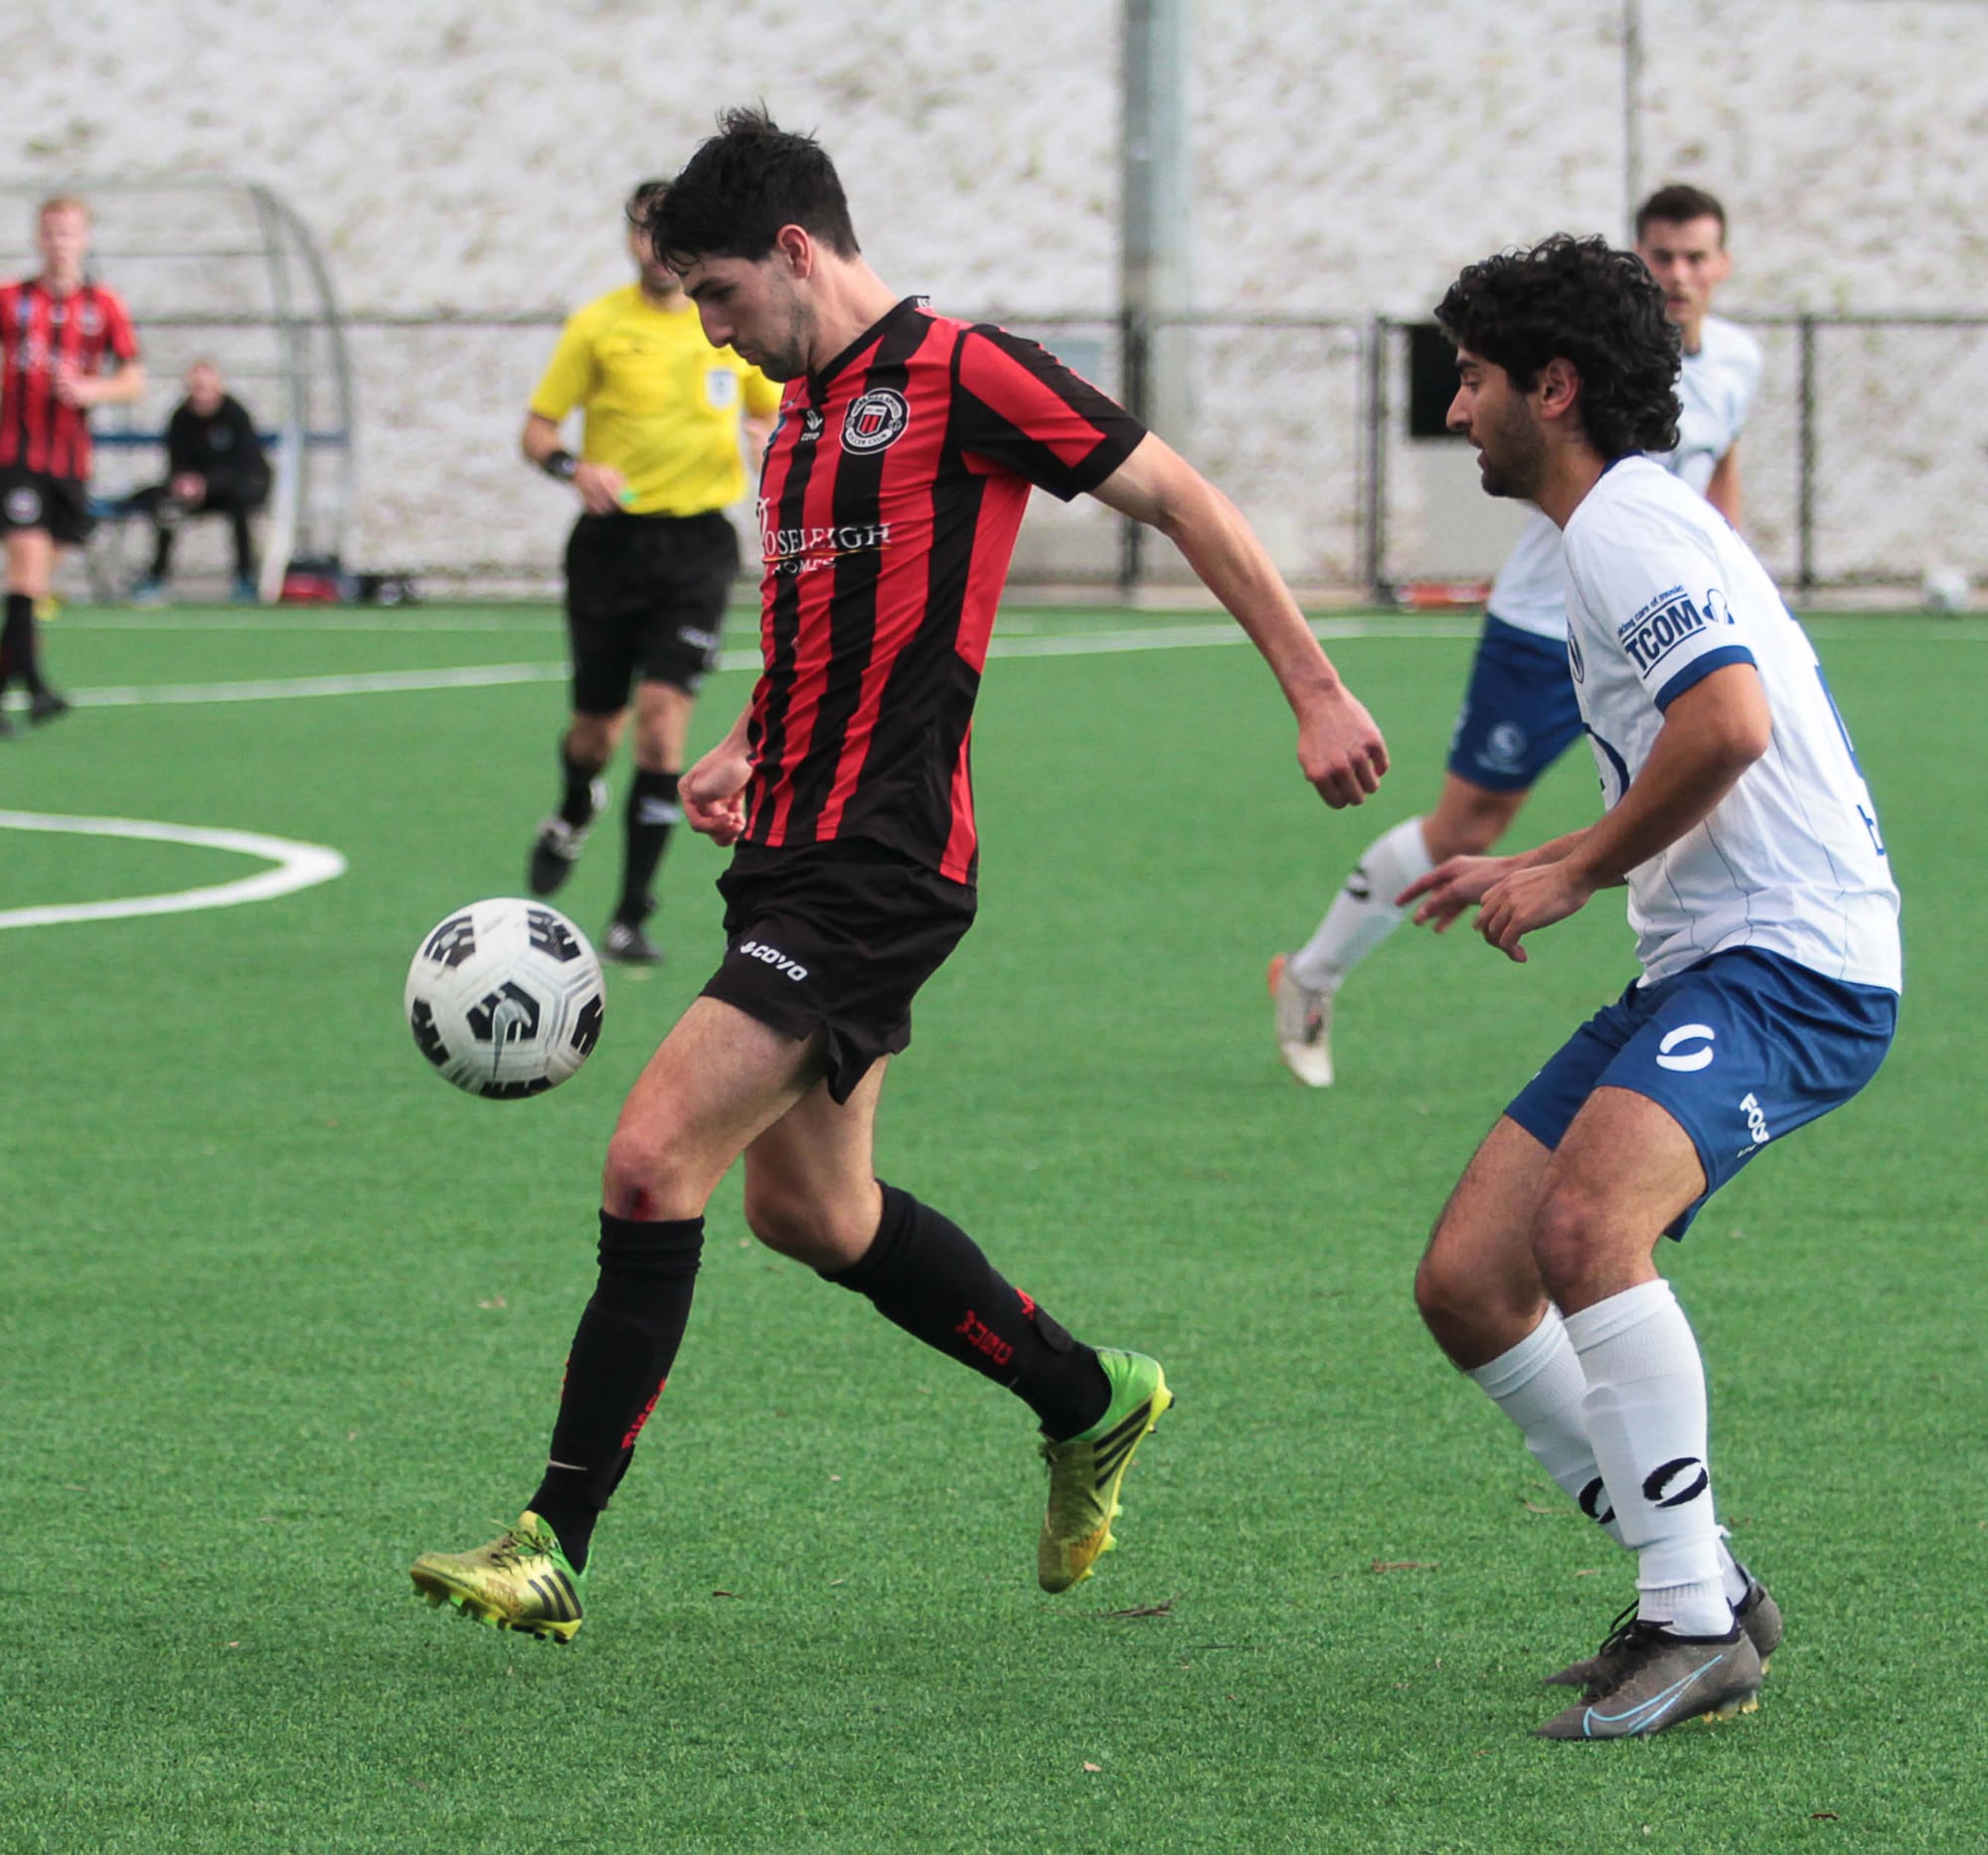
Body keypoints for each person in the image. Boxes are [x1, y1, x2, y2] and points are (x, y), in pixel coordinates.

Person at [410, 106, 1390, 1641]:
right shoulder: (797, 424)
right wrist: (742, 747)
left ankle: (556, 1537)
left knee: (653, 1154)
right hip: (789, 847)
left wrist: (1315, 686)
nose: (717, 337)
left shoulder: (962, 370)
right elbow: (828, 636)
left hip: (881, 864)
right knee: (814, 1212)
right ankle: (1089, 1395)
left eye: (723, 297)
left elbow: (1182, 495)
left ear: (797, 252)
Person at [1396, 234, 1899, 1738]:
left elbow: (1729, 725)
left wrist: (1570, 870)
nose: (1456, 410)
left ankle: (1690, 1619)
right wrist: (1549, 854)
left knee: (1583, 1227)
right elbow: (1712, 750)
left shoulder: (1625, 525)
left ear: (1552, 386)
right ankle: (1704, 1582)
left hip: (1793, 958)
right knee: (1474, 1281)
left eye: (1474, 378)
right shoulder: (1615, 524)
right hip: (1715, 946)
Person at [1269, 185, 1760, 1086]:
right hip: (1547, 624)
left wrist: (1737, 574)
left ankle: (1710, 1001)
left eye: (1697, 257)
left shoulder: (1739, 362)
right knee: (1469, 824)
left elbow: (1720, 472)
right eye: (1662, 256)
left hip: (1674, 623)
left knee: (1708, 782)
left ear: (1723, 265)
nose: (1681, 275)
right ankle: (1312, 971)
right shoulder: (1591, 368)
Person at [519, 178, 783, 965]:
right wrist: (573, 466)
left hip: (697, 547)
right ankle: (573, 807)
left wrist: (767, 437)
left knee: (665, 724)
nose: (657, 250)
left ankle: (632, 913)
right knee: (597, 731)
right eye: (645, 233)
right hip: (609, 548)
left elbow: (769, 405)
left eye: (670, 235)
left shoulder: (723, 321)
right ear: (630, 240)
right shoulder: (598, 327)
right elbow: (536, 431)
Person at [0, 195, 144, 734]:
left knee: (32, 586)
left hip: (69, 464)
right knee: (25, 567)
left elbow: (134, 380)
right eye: (51, 233)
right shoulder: (12, 299)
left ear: (84, 239)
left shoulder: (102, 306)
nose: (59, 243)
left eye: (69, 233)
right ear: (39, 239)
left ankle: (14, 683)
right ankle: (36, 686)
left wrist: (90, 389)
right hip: (14, 457)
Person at [128, 360, 271, 604]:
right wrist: (183, 482)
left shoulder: (235, 415)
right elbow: (175, 460)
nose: (201, 394)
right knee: (165, 506)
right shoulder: (181, 417)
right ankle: (156, 577)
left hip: (235, 487)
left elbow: (243, 465)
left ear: (218, 387)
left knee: (241, 508)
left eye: (206, 387)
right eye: (196, 388)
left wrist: (207, 483)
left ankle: (245, 577)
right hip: (196, 492)